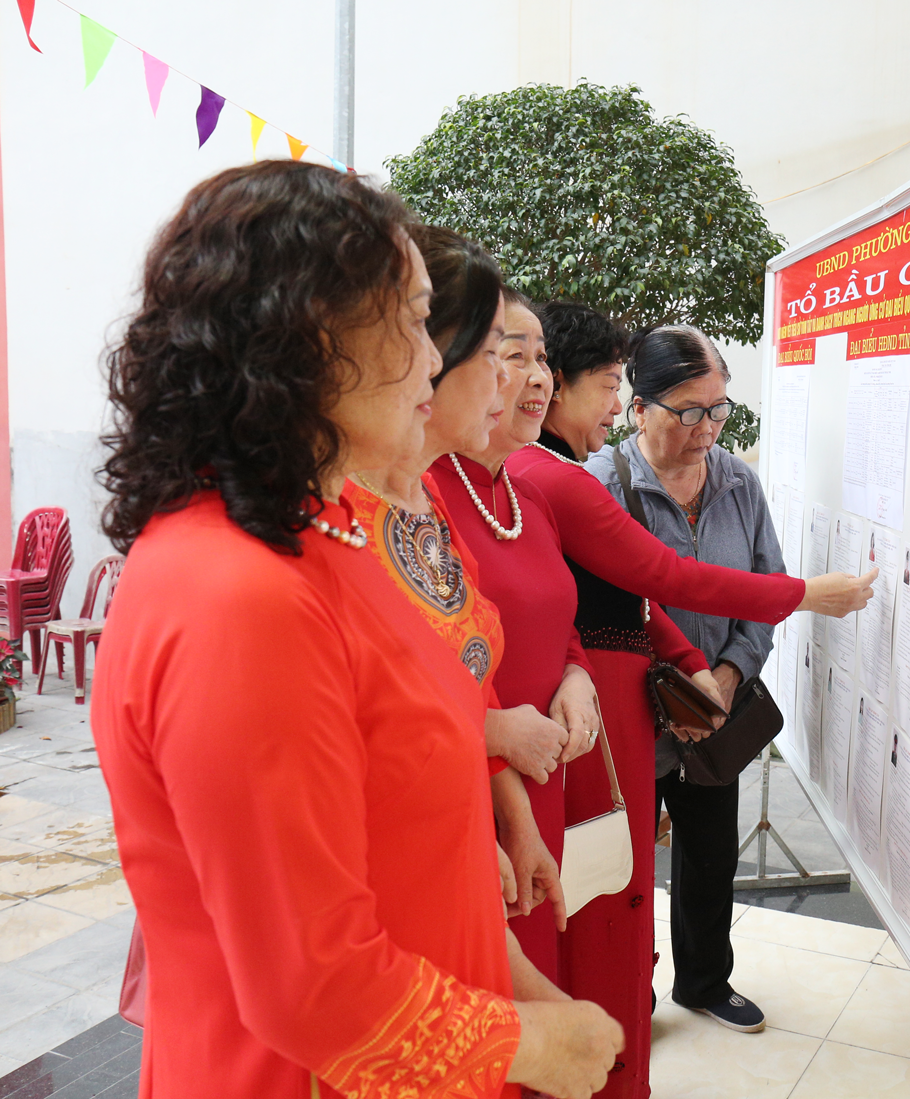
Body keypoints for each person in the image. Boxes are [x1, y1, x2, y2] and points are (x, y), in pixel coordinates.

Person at [90, 162, 620, 1098]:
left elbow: (417, 830)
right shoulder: (240, 595)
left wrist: (523, 990)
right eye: (414, 322)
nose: (434, 360)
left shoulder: (330, 531)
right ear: (315, 339)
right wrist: (539, 1046)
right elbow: (313, 983)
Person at [505, 303, 873, 1095]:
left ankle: (673, 997)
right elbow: (664, 580)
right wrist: (808, 594)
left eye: (719, 410)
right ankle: (611, 1036)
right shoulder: (563, 478)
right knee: (604, 889)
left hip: (656, 706)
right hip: (600, 723)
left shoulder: (538, 478)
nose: (612, 403)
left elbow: (634, 603)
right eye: (609, 385)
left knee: (670, 868)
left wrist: (706, 669)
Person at [587, 322, 881, 1040]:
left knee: (711, 853)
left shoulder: (737, 482)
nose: (707, 428)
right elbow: (601, 613)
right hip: (632, 717)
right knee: (624, 868)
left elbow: (764, 589)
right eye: (689, 411)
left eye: (719, 409)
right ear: (639, 409)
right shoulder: (601, 486)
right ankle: (628, 990)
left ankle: (704, 981)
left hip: (716, 713)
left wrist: (726, 673)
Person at [345, 230, 597, 982]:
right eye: (498, 354)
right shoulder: (328, 522)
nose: (519, 383)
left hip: (458, 843)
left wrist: (512, 819)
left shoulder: (425, 497)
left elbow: (467, 677)